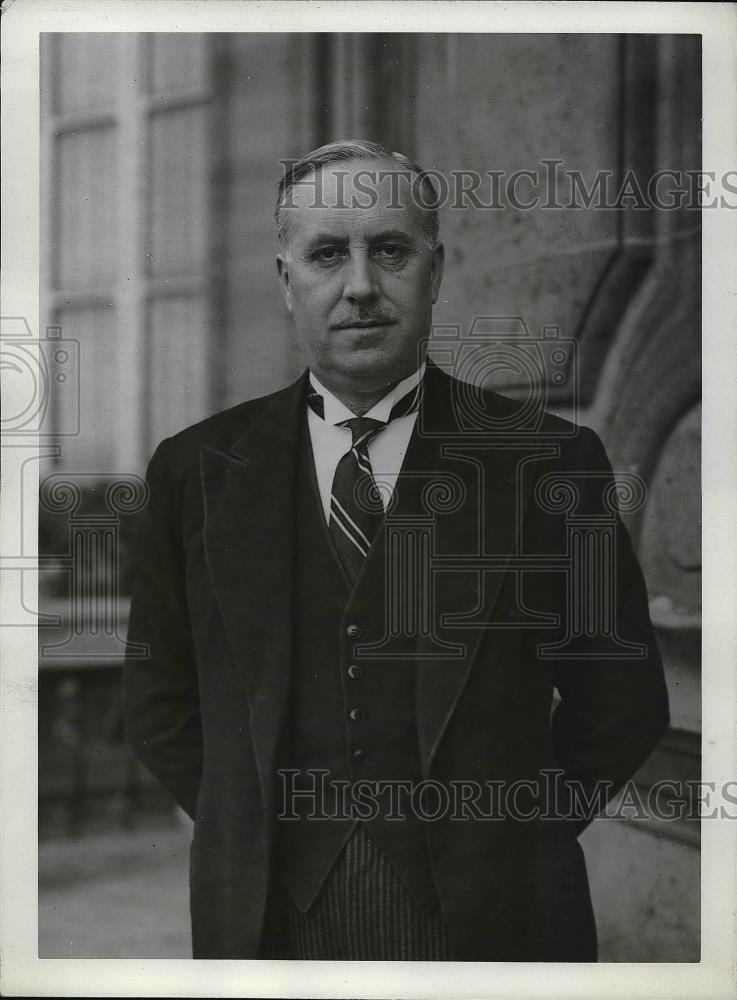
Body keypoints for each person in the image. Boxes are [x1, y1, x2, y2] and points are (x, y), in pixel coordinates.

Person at [123, 139, 669, 961]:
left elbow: (622, 702)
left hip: (494, 924)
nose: (359, 288)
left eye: (389, 250)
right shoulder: (194, 469)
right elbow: (157, 698)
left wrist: (513, 838)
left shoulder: (547, 463)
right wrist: (251, 824)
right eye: (326, 254)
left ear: (435, 269)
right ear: (284, 281)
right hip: (266, 924)